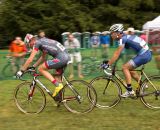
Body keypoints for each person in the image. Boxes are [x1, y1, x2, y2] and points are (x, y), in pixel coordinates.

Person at [102, 24, 152, 98]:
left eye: (112, 33)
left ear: (118, 33)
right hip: (144, 53)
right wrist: (109, 61)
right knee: (130, 70)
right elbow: (119, 54)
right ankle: (143, 85)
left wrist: (108, 64)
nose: (111, 35)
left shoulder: (123, 39)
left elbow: (116, 54)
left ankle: (129, 91)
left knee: (125, 68)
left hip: (144, 54)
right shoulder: (124, 37)